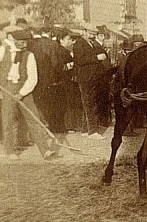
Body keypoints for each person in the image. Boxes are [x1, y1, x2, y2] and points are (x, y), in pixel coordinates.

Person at [0, 28, 60, 160]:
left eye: (26, 43)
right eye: (21, 42)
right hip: (7, 88)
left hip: (24, 89)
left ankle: (45, 151)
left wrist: (21, 94)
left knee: (34, 119)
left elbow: (33, 79)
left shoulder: (29, 55)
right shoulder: (3, 51)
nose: (24, 45)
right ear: (14, 41)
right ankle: (10, 151)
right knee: (8, 121)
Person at [73, 24, 108, 140]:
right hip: (85, 78)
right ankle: (92, 131)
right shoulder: (79, 44)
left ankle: (85, 129)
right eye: (90, 33)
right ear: (84, 31)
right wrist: (97, 58)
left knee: (87, 103)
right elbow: (80, 60)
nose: (92, 36)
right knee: (90, 103)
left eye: (94, 34)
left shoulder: (89, 43)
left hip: (91, 77)